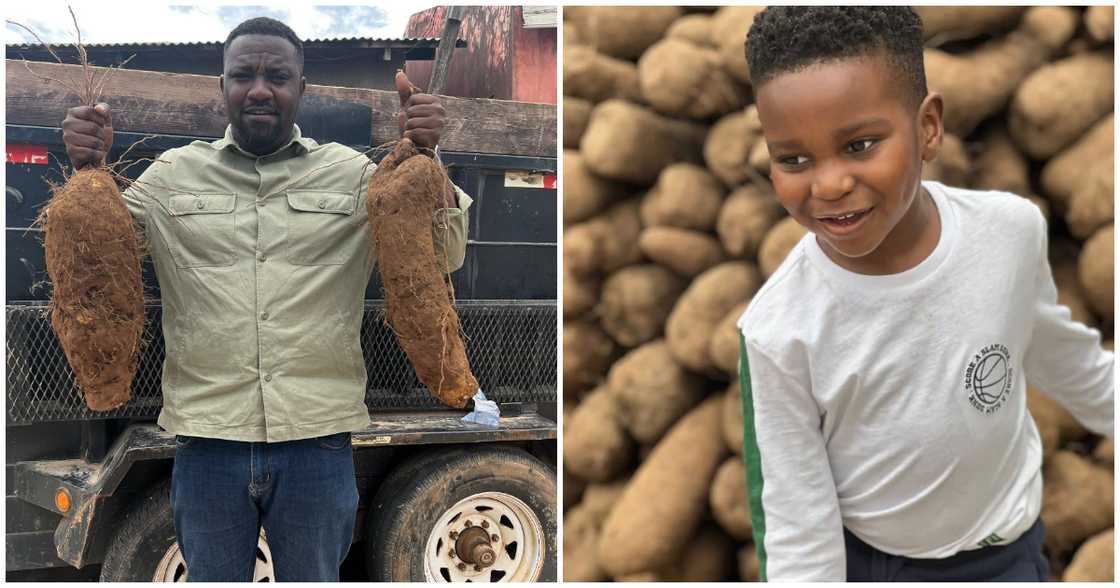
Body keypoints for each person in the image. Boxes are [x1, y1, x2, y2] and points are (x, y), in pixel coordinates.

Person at [60, 17, 472, 582]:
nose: (259, 88)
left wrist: (428, 162)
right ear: (222, 86)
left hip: (316, 444)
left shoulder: (353, 176)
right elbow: (97, 259)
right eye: (243, 75)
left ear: (301, 89)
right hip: (208, 443)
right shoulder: (171, 176)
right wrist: (89, 170)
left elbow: (441, 254)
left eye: (277, 75)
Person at [735, 6, 1113, 582]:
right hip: (881, 568)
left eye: (860, 145)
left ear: (928, 127)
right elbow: (796, 519)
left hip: (1012, 552)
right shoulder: (779, 329)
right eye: (793, 159)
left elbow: (1063, 355)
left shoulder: (1009, 232)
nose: (830, 183)